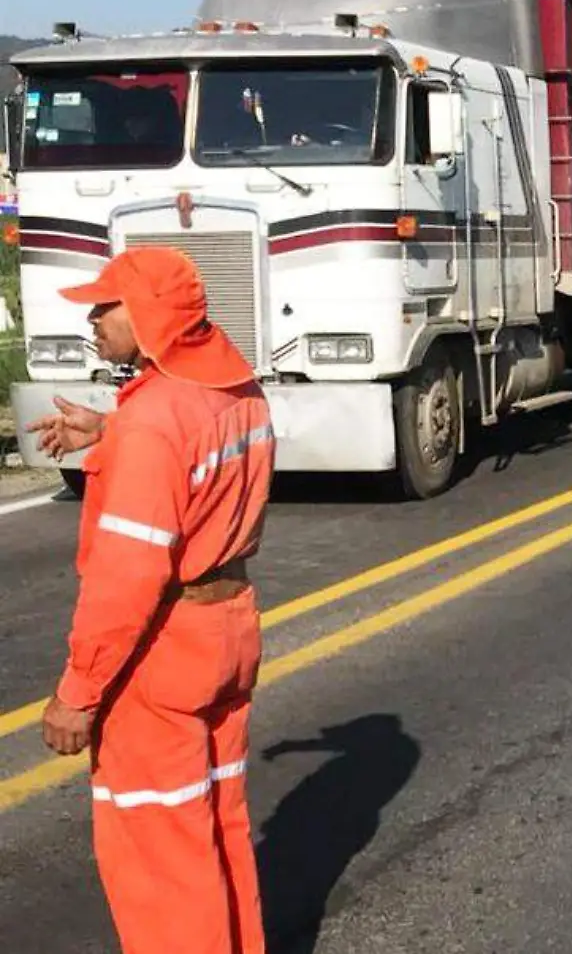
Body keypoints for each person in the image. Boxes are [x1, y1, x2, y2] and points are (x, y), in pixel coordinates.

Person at [26, 246, 274, 954]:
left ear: (150, 318)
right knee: (218, 821)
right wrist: (109, 438)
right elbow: (197, 468)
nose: (93, 318)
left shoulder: (154, 421)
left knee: (162, 853)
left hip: (163, 652)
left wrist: (77, 693)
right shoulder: (239, 391)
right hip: (228, 632)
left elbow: (126, 581)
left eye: (107, 306)